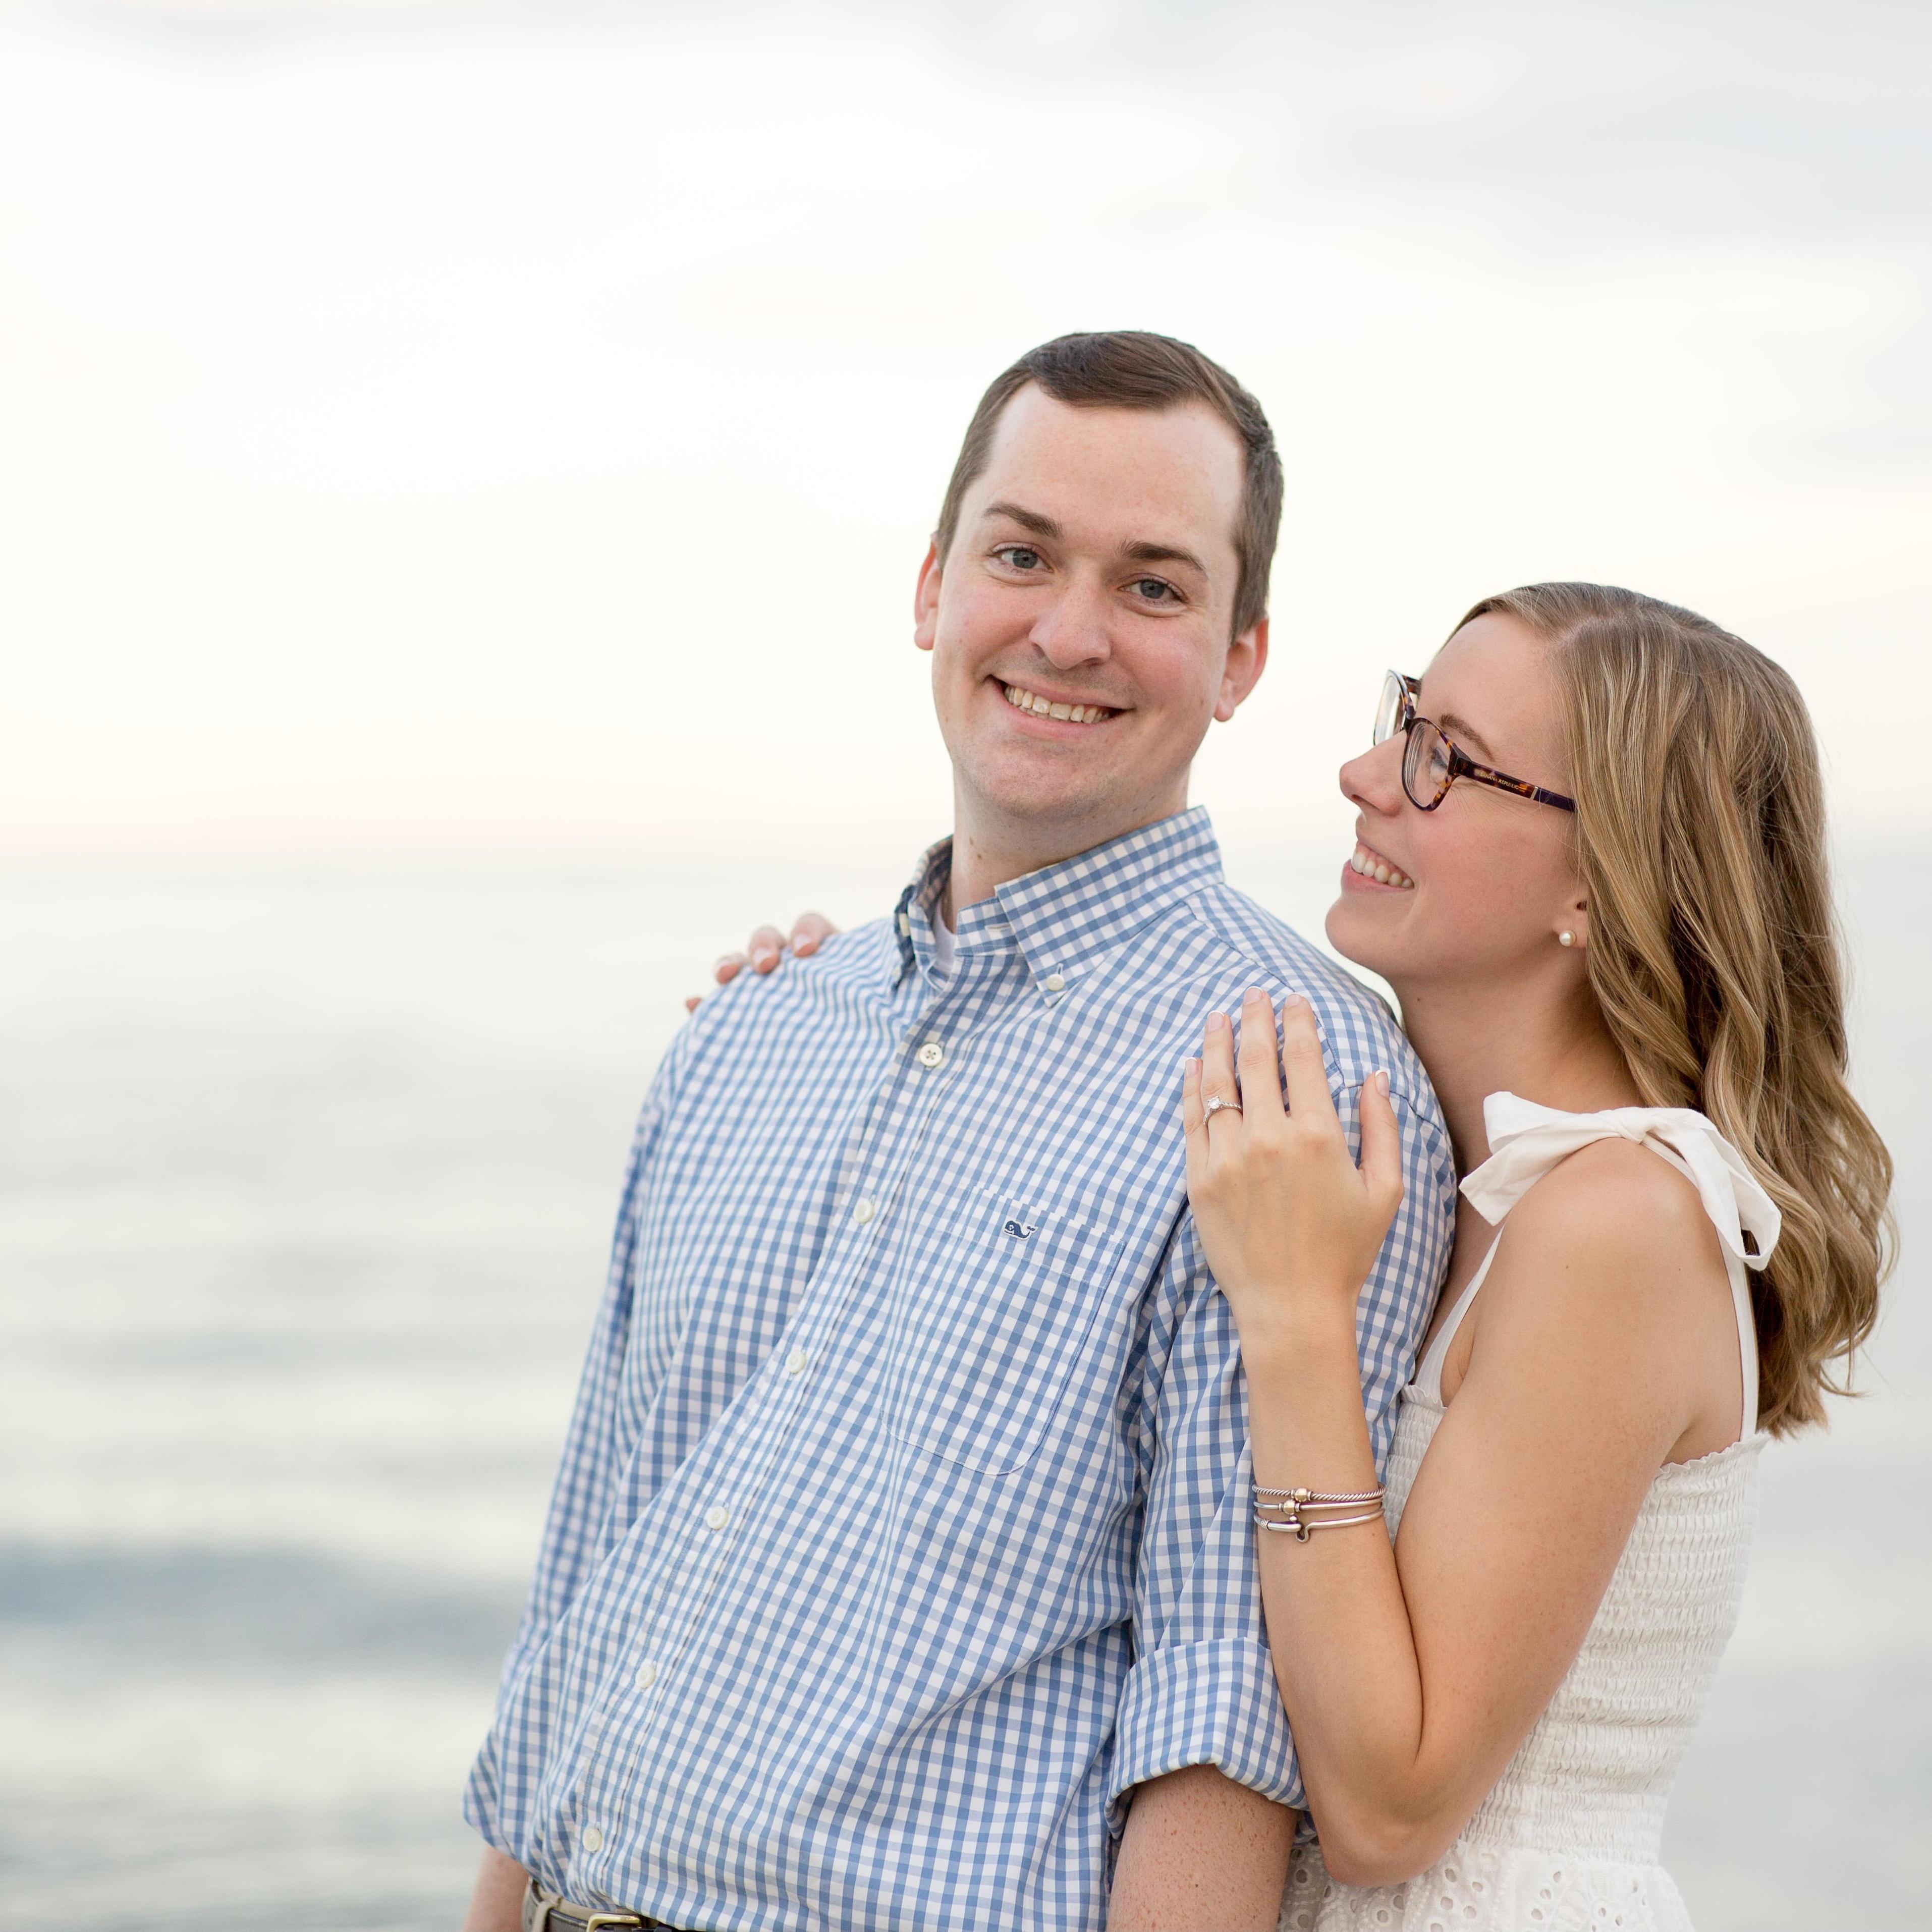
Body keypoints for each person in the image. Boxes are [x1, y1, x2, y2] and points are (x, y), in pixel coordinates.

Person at [460, 332, 1459, 1932]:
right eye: (1022, 556)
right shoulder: (757, 1035)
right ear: (932, 588)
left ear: (1240, 656)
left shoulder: (1289, 1081)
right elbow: (595, 1561)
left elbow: (1221, 1719)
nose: (1067, 632)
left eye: (1152, 585)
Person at [726, 584, 1894, 1929]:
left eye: (1443, 759)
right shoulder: (1444, 1179)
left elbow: (1389, 1808)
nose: (1363, 777)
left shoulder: (1612, 1222)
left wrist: (1292, 1322)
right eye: (1403, 720)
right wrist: (843, 1008)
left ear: (1603, 876)